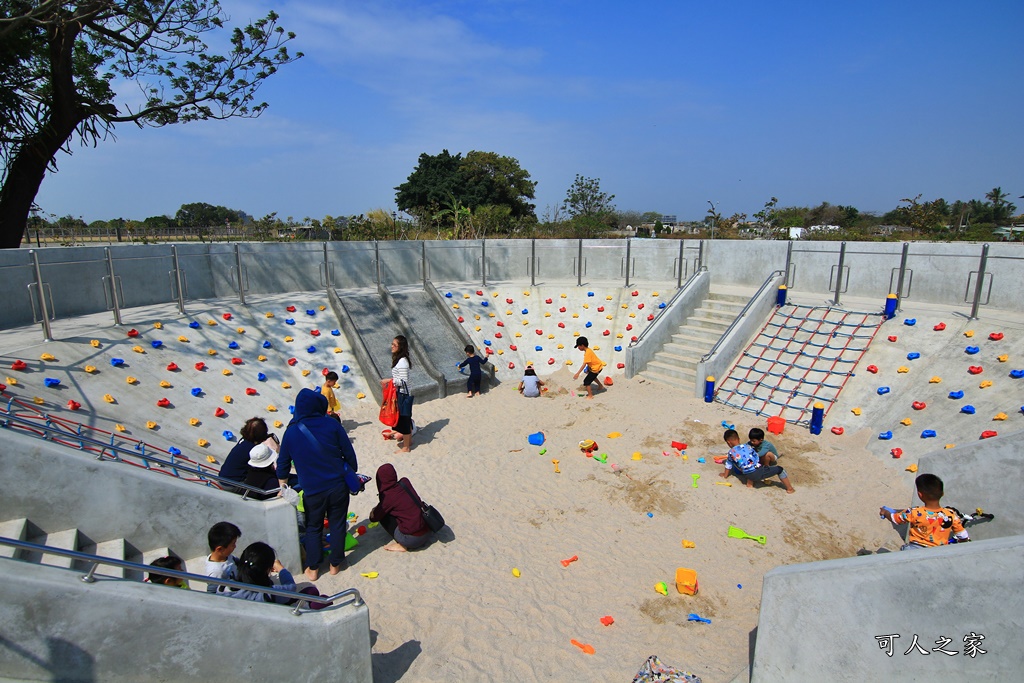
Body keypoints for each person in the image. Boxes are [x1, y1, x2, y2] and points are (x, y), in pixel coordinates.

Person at [276, 388, 358, 580]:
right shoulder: (331, 424)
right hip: (337, 485)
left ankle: (313, 569)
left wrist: (283, 486)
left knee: (313, 527)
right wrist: (350, 473)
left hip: (312, 490)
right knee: (337, 524)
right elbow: (349, 453)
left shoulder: (292, 431)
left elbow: (283, 464)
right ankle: (335, 564)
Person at [218, 541, 327, 608]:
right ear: (267, 570)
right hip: (276, 613)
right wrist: (281, 568)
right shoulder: (268, 593)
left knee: (312, 592)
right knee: (321, 598)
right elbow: (291, 587)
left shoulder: (225, 585)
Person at [880, 473, 969, 550]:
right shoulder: (951, 514)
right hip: (940, 550)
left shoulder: (914, 512)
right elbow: (963, 535)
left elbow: (896, 519)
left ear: (920, 495)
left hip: (915, 549)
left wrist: (886, 512)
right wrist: (962, 542)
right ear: (942, 493)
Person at [368, 463, 433, 552]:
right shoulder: (405, 482)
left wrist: (375, 510)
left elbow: (374, 518)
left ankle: (402, 545)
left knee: (384, 516)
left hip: (412, 540)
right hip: (428, 529)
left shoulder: (388, 496)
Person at [720, 429, 795, 493]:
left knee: (748, 465)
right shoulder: (748, 447)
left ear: (728, 442)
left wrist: (725, 475)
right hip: (756, 472)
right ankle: (790, 489)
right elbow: (756, 457)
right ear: (738, 439)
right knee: (780, 469)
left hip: (746, 473)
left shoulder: (730, 453)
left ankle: (750, 484)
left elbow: (728, 465)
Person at [219, 417, 279, 493]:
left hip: (223, 479)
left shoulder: (244, 440)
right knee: (271, 481)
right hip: (233, 485)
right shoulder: (254, 450)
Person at [382, 335, 415, 452]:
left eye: (394, 345)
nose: (392, 346)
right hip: (402, 393)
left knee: (404, 419)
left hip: (403, 394)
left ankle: (406, 447)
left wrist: (389, 381)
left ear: (400, 347)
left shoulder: (402, 362)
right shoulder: (401, 360)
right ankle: (409, 441)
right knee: (405, 418)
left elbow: (403, 381)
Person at [204, 521, 241, 593]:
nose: (235, 546)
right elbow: (212, 593)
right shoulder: (216, 572)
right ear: (220, 549)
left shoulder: (225, 556)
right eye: (233, 544)